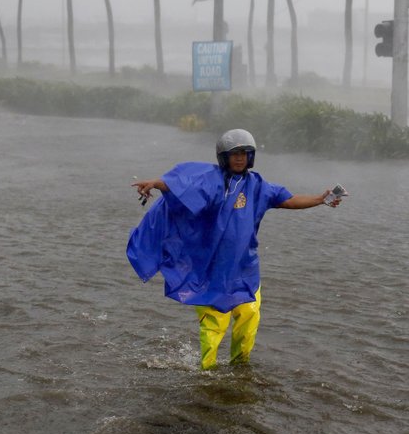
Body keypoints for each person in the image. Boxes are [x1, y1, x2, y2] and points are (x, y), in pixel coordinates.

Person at [126, 128, 343, 370]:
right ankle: (207, 373)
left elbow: (288, 200)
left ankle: (240, 368)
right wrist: (156, 183)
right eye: (234, 153)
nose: (240, 158)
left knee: (249, 318)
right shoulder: (211, 182)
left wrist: (320, 199)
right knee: (214, 325)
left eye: (245, 153)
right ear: (223, 156)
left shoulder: (258, 186)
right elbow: (183, 187)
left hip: (245, 268)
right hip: (212, 271)